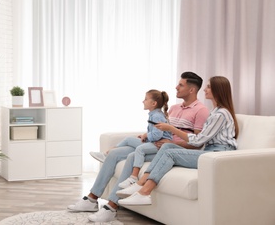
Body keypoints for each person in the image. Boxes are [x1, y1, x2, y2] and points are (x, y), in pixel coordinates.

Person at [67, 72, 209, 223]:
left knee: (132, 156)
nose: (176, 87)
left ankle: (111, 207)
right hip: (157, 145)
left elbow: (197, 142)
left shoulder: (201, 111)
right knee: (115, 154)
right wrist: (146, 135)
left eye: (181, 85)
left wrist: (173, 144)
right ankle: (91, 199)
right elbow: (158, 129)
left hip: (171, 151)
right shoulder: (174, 108)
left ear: (192, 89)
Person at [118, 76, 239, 206]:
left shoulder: (220, 114)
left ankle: (144, 192)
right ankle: (140, 183)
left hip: (217, 155)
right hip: (210, 152)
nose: (205, 89)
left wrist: (171, 129)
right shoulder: (215, 112)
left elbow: (198, 141)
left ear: (218, 90)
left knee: (170, 153)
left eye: (208, 87)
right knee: (167, 147)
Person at [90, 89, 172, 172]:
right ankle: (108, 153)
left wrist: (146, 135)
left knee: (132, 143)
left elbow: (157, 135)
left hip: (157, 145)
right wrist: (145, 134)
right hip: (153, 143)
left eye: (146, 99)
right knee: (128, 140)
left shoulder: (156, 116)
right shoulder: (155, 115)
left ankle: (107, 154)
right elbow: (156, 131)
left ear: (154, 103)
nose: (143, 101)